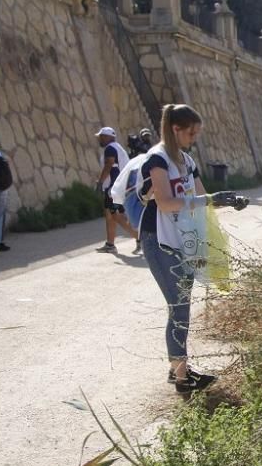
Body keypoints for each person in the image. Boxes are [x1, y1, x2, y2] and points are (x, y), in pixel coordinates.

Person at [140, 103, 247, 394]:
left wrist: (226, 200)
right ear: (176, 129)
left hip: (181, 238)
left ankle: (179, 369)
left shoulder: (186, 160)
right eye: (191, 133)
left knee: (182, 305)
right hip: (159, 239)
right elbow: (165, 202)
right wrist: (208, 199)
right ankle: (181, 376)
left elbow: (200, 196)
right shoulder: (157, 159)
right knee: (179, 307)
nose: (194, 138)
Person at [94, 127, 139, 254]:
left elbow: (109, 165)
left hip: (114, 187)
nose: (100, 139)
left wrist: (100, 182)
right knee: (109, 215)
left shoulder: (110, 149)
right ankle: (110, 244)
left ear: (109, 137)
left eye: (102, 136)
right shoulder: (118, 148)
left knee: (116, 215)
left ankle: (139, 237)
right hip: (120, 186)